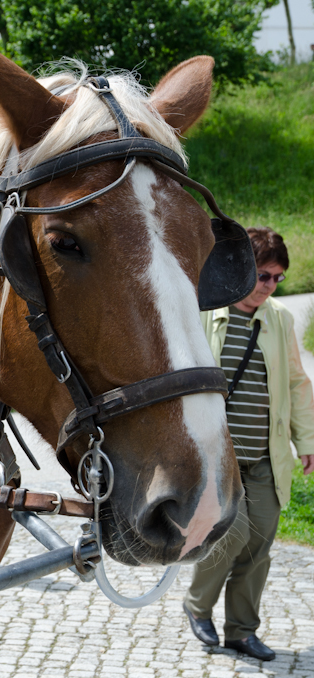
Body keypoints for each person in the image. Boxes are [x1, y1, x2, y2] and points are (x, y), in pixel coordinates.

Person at [183, 226, 314, 661]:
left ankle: (242, 630)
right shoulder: (205, 311)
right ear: (242, 270)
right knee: (229, 535)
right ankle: (198, 607)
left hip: (266, 457)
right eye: (263, 275)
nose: (270, 286)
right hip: (217, 459)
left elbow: (296, 383)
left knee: (259, 546)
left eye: (277, 278)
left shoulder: (279, 319)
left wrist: (307, 440)